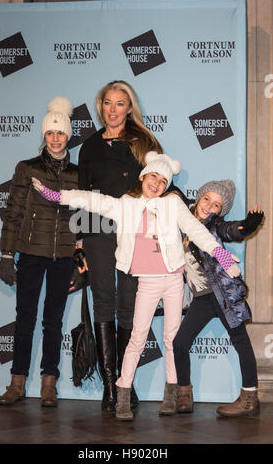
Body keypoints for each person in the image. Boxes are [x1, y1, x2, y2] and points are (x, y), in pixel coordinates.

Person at [32, 152, 241, 420]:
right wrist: (57, 196)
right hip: (147, 282)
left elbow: (196, 230)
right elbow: (90, 199)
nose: (157, 183)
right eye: (153, 176)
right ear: (143, 176)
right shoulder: (125, 204)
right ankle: (122, 394)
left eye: (163, 181)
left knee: (171, 339)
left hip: (174, 280)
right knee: (137, 338)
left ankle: (171, 393)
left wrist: (220, 254)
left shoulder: (173, 205)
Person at [76, 80, 185, 413]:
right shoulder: (89, 146)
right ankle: (111, 387)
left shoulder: (145, 141)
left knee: (128, 305)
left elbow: (162, 185)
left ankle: (125, 383)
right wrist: (79, 242)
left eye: (120, 103)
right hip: (97, 231)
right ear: (101, 107)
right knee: (103, 302)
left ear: (129, 107)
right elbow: (82, 194)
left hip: (134, 233)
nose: (113, 109)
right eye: (107, 103)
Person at [0, 96, 79, 407]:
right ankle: (17, 383)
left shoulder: (77, 173)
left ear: (68, 136)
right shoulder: (26, 168)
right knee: (25, 319)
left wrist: (79, 258)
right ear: (43, 136)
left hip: (63, 258)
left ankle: (49, 384)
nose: (55, 139)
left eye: (60, 133)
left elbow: (83, 219)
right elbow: (13, 212)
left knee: (53, 322)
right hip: (30, 254)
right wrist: (7, 256)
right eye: (50, 133)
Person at [173, 179, 264, 417]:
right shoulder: (181, 220)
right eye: (207, 199)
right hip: (202, 299)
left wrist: (246, 227)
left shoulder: (214, 225)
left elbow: (231, 230)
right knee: (179, 343)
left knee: (241, 342)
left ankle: (249, 398)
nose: (209, 207)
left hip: (223, 293)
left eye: (216, 205)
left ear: (219, 212)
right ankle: (183, 394)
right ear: (199, 197)